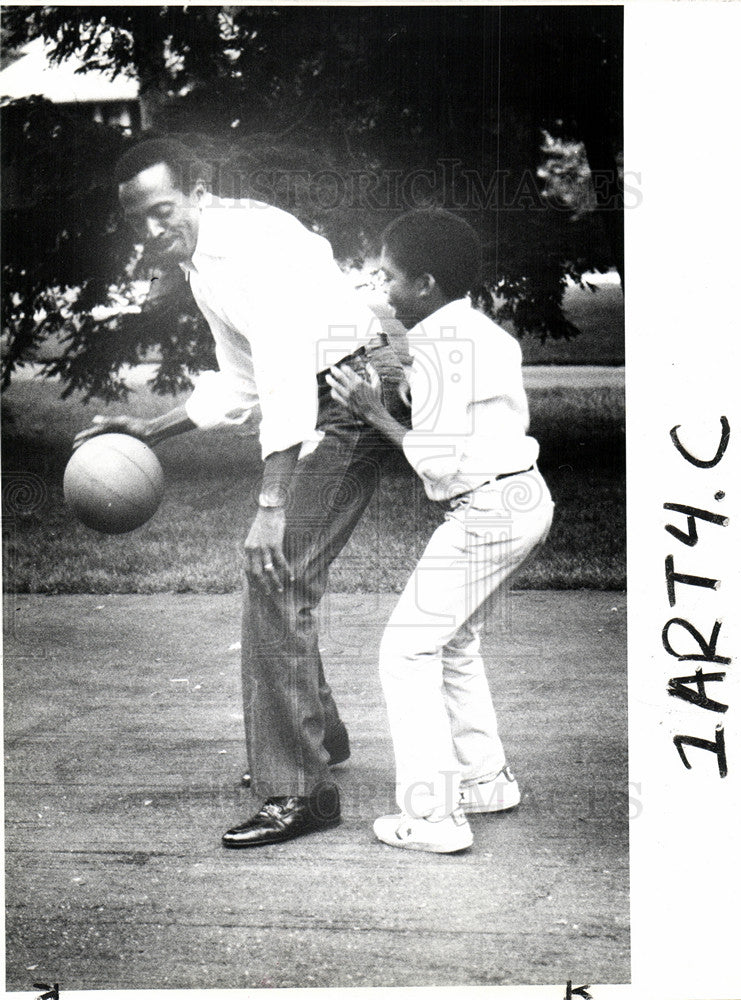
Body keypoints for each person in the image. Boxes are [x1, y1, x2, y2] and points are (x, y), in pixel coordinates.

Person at [73, 138, 410, 847]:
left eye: (162, 211)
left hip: (353, 384)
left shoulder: (248, 247)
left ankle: (300, 791)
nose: (152, 230)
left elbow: (288, 373)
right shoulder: (205, 260)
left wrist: (271, 505)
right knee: (278, 573)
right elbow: (244, 378)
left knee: (274, 568)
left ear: (197, 190)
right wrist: (153, 429)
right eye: (138, 221)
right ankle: (318, 735)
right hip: (332, 378)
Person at [327, 208, 554, 853]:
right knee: (453, 642)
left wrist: (371, 410)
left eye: (389, 276)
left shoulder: (433, 344)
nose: (382, 286)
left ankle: (432, 819)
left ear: (423, 283)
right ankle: (484, 783)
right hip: (525, 500)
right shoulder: (485, 333)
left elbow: (436, 455)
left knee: (405, 650)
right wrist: (395, 387)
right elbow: (457, 418)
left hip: (485, 512)